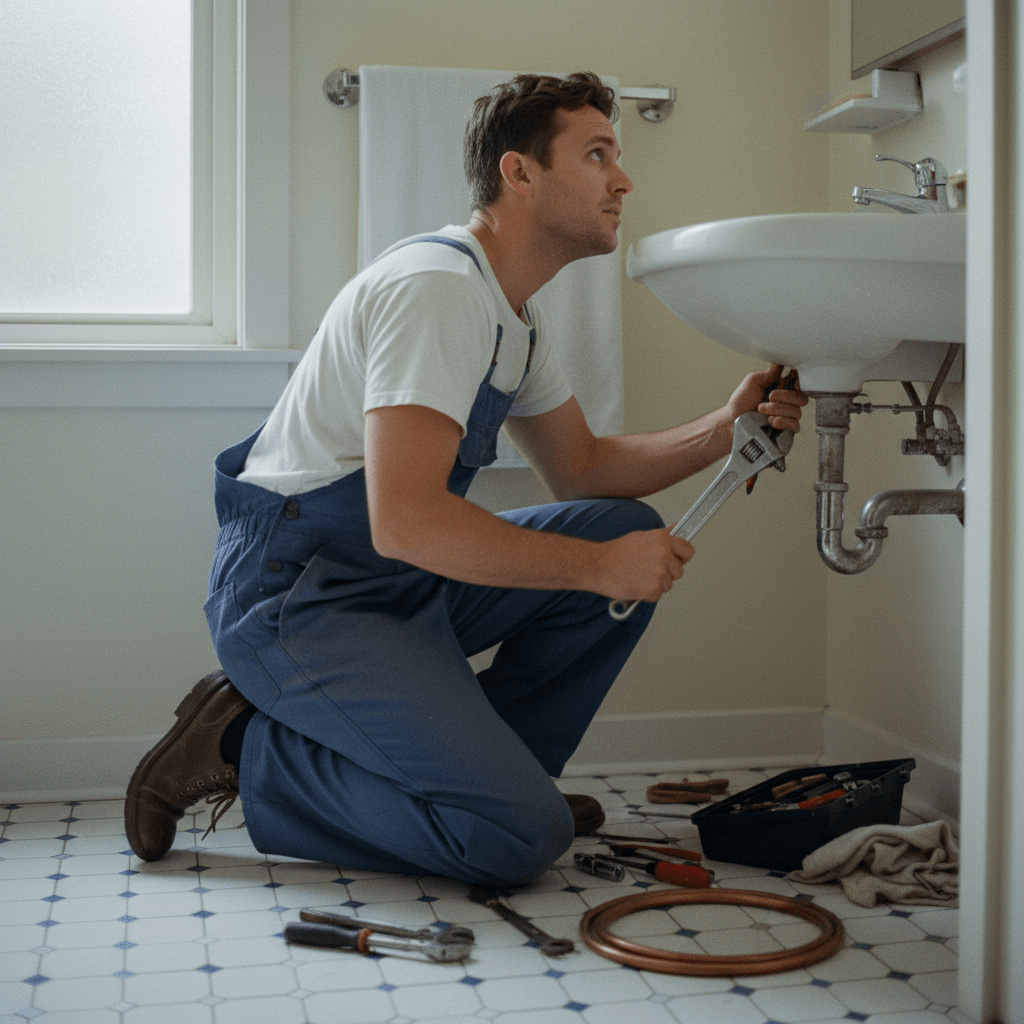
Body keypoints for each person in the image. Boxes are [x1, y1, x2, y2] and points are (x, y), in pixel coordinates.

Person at [125, 72, 806, 887]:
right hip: (300, 594)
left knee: (617, 526)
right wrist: (593, 570)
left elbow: (582, 469)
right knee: (513, 842)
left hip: (392, 580)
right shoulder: (438, 290)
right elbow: (405, 522)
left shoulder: (511, 314)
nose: (623, 179)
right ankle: (245, 745)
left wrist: (721, 431)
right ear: (520, 173)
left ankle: (501, 783)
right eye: (597, 155)